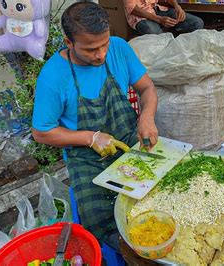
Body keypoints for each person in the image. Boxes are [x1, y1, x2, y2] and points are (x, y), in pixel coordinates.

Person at [31, 2, 158, 249]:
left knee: (159, 200)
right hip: (88, 161)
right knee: (110, 228)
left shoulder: (119, 49)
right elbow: (42, 132)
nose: (100, 54)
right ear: (69, 43)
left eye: (104, 44)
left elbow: (147, 88)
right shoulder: (53, 76)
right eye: (90, 49)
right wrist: (91, 137)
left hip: (130, 144)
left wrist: (146, 117)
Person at [124, 0, 204, 35]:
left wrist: (177, 6)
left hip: (157, 9)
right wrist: (158, 19)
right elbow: (132, 8)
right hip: (141, 16)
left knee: (197, 23)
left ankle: (182, 49)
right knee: (154, 32)